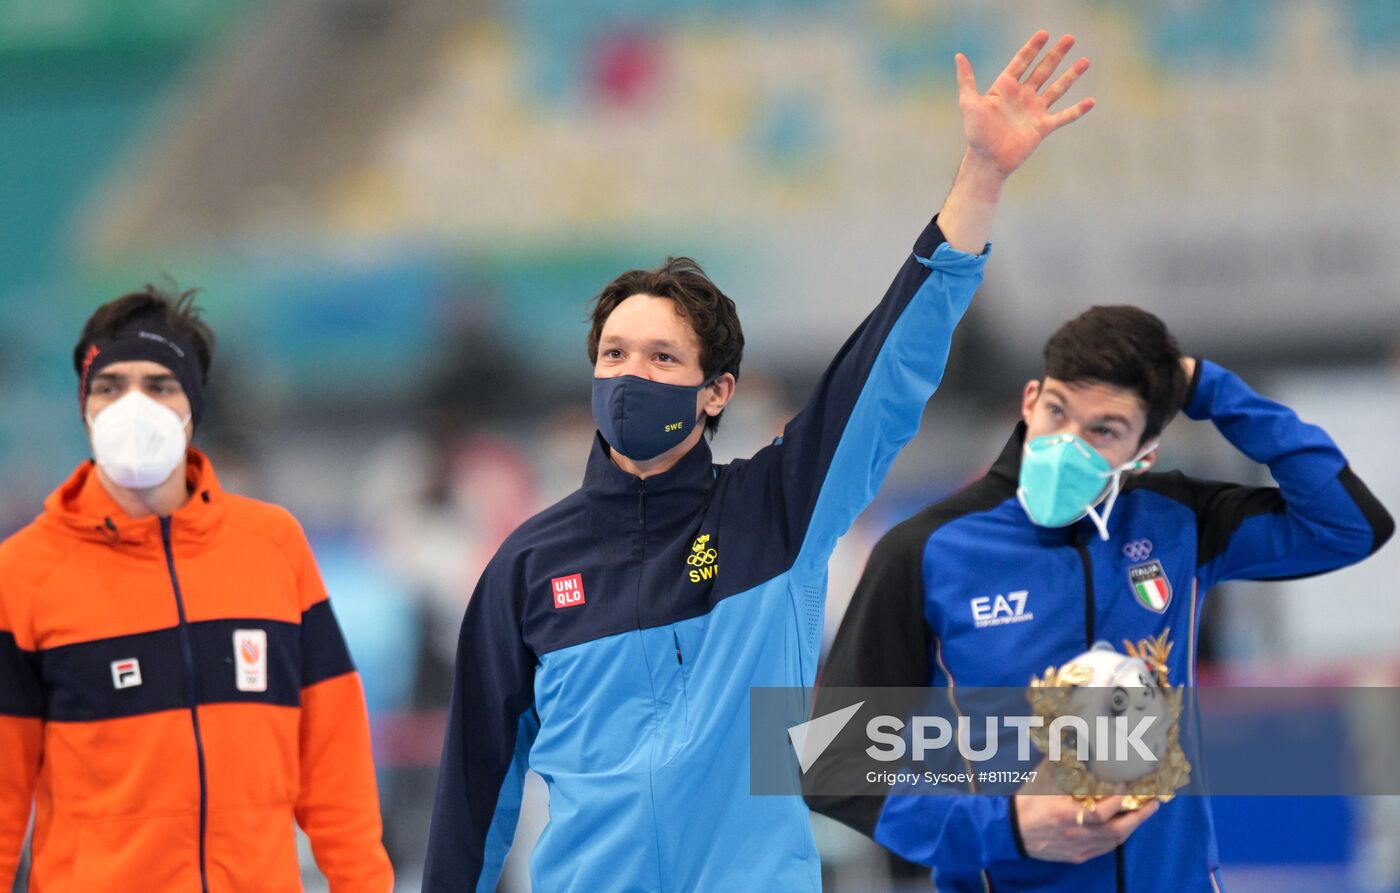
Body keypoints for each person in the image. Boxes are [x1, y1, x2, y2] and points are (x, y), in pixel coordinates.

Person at [423, 30, 1097, 892]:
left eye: (662, 359)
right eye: (615, 355)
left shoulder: (775, 510)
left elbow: (884, 373)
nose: (633, 375)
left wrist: (980, 180)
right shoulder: (525, 566)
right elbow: (475, 794)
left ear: (716, 391)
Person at [806, 304, 1394, 891]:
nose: (1067, 443)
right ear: (1030, 399)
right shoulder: (927, 549)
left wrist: (1211, 388)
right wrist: (1006, 828)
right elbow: (830, 763)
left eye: (1103, 430)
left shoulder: (1178, 519)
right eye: (1058, 411)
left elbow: (1350, 526)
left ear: (1146, 451)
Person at [0, 286, 393, 891]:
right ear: (84, 407)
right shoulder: (23, 571)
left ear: (192, 406)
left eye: (159, 384)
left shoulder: (273, 546)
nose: (133, 405)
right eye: (110, 386)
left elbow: (333, 758)